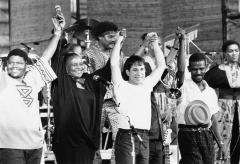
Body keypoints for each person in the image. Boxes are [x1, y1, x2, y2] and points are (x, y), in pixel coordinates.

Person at [0, 15, 64, 164]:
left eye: (19, 63)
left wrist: (57, 34)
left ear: (26, 65)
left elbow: (47, 55)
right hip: (10, 146)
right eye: (11, 63)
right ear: (6, 65)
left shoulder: (33, 78)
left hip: (35, 145)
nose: (14, 65)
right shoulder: (2, 80)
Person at [51, 31, 112, 164]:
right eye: (74, 64)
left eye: (81, 63)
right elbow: (56, 60)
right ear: (66, 69)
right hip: (68, 142)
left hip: (87, 141)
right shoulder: (62, 83)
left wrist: (116, 44)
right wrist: (61, 37)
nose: (79, 67)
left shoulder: (90, 81)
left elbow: (109, 70)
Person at [111, 31, 166, 164]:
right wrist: (119, 41)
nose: (139, 73)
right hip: (126, 135)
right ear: (128, 72)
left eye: (141, 69)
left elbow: (162, 65)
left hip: (145, 136)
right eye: (135, 70)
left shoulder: (147, 84)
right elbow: (113, 64)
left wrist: (154, 42)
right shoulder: (120, 84)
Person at [176, 52, 222, 164]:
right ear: (189, 69)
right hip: (188, 134)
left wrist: (220, 142)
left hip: (206, 134)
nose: (198, 72)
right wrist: (182, 41)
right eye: (194, 69)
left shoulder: (210, 92)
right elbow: (180, 69)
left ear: (206, 68)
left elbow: (213, 119)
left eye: (201, 69)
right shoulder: (182, 85)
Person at [204, 40, 240, 164]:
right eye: (230, 51)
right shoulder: (216, 71)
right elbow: (204, 86)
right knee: (223, 140)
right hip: (224, 108)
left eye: (236, 50)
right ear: (225, 53)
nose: (234, 53)